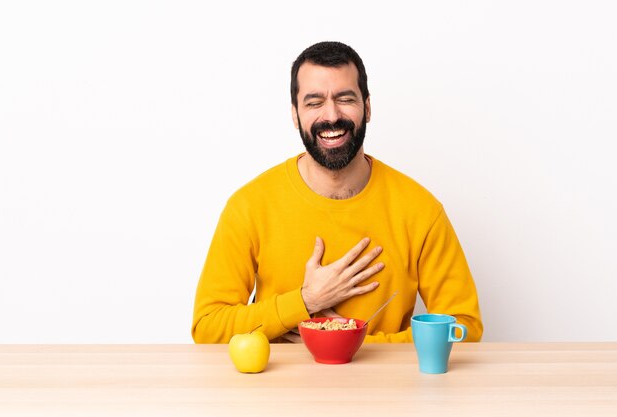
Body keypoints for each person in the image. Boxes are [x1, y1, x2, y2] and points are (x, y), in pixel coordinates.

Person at [192, 41, 483, 343]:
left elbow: (464, 329)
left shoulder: (420, 209)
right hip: (276, 389)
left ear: (367, 108)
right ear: (295, 115)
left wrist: (346, 340)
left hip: (385, 390)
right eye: (314, 102)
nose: (331, 116)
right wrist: (305, 301)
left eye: (345, 98)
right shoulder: (249, 206)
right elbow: (208, 328)